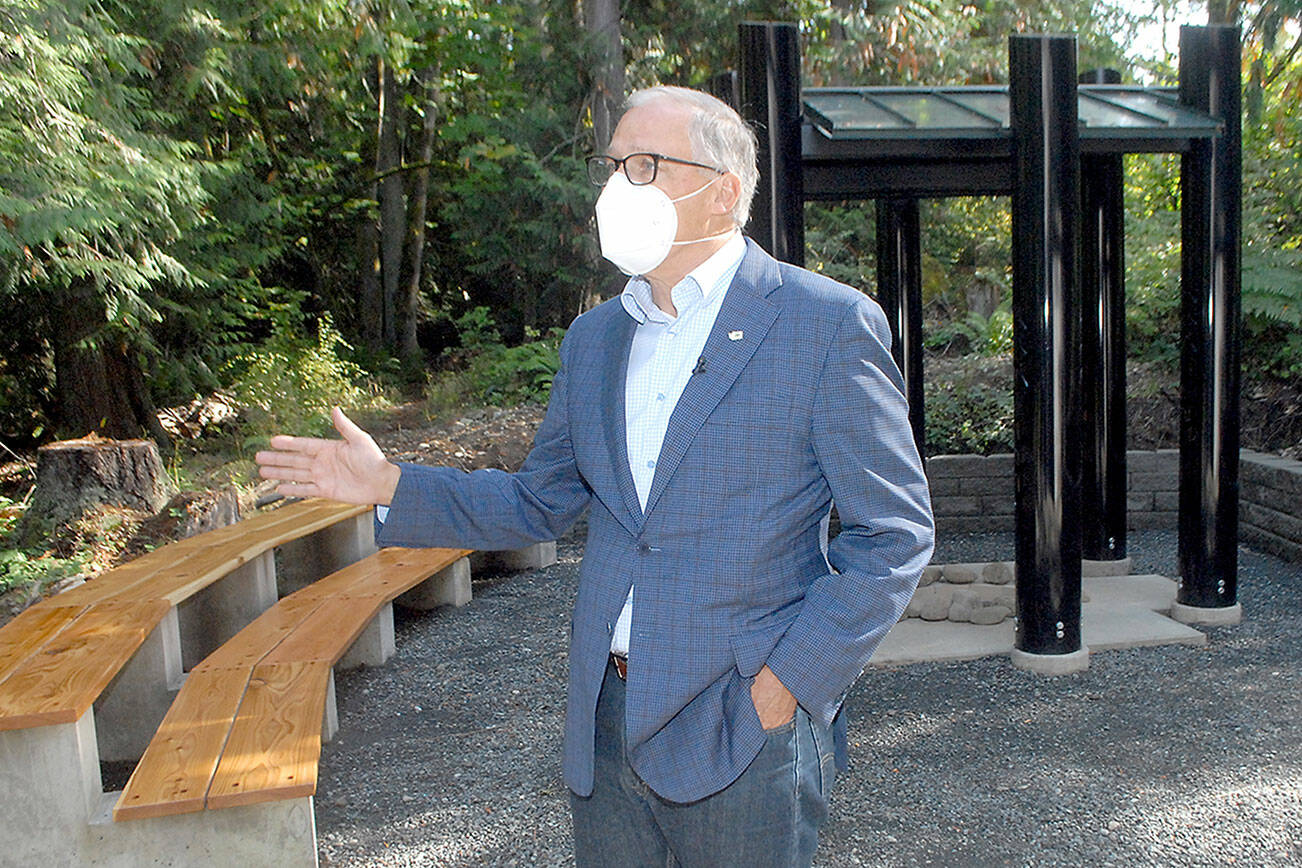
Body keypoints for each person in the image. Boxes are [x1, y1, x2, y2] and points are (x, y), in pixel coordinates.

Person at [257, 85, 933, 867]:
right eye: (612, 166)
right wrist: (389, 486)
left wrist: (783, 686)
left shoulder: (824, 323)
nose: (618, 187)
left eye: (644, 166)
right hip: (607, 717)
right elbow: (536, 502)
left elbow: (894, 536)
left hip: (744, 721)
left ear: (724, 193)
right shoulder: (595, 338)